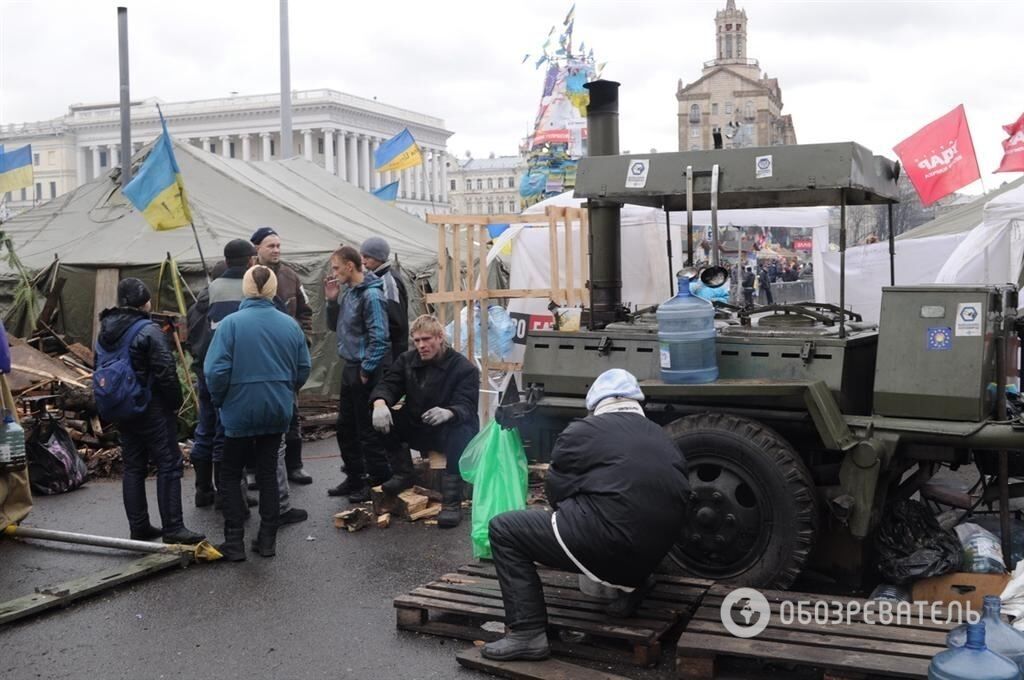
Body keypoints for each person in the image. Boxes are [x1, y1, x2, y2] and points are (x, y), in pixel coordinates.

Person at [482, 369, 690, 661]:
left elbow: (556, 495)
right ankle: (634, 585)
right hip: (654, 554)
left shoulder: (582, 431)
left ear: (595, 405)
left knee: (504, 529)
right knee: (635, 511)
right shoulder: (663, 437)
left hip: (608, 545)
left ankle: (527, 632)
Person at [186, 240, 307, 526]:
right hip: (264, 386)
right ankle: (273, 519)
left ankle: (222, 501)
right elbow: (301, 363)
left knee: (218, 440)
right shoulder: (275, 312)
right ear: (252, 260)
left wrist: (217, 390)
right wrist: (287, 388)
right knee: (270, 454)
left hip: (222, 381)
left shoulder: (209, 293)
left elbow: (196, 332)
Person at [204, 266, 311, 561]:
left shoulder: (230, 325)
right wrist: (286, 391)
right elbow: (303, 368)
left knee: (230, 472)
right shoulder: (290, 325)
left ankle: (234, 541)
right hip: (277, 409)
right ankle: (267, 540)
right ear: (273, 288)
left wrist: (220, 399)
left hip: (238, 409)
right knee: (267, 474)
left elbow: (215, 371)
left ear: (246, 288)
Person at [97, 278, 204, 544]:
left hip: (122, 406)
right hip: (151, 405)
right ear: (146, 302)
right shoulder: (149, 330)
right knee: (169, 464)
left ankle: (139, 527)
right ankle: (174, 528)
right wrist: (175, 402)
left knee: (133, 466)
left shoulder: (106, 330)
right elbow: (166, 371)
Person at [370, 314, 479, 528]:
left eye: (426, 339)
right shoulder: (407, 361)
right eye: (417, 341)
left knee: (463, 430)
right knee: (380, 418)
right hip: (418, 425)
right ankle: (403, 473)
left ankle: (451, 501)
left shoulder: (463, 367)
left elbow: (467, 404)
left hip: (447, 430)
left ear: (440, 338)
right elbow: (389, 384)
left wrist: (450, 412)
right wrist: (380, 403)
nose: (421, 345)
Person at [324, 245, 391, 503]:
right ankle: (354, 477)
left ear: (350, 266)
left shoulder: (371, 296)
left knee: (366, 431)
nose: (334, 273)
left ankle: (375, 483)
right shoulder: (350, 292)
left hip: (364, 369)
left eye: (337, 267)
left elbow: (380, 337)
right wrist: (331, 301)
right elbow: (336, 327)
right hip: (350, 367)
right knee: (345, 427)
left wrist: (366, 368)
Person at [250, 226, 314, 485]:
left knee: (291, 411)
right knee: (256, 413)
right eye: (270, 246)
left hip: (287, 357)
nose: (276, 250)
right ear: (257, 248)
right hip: (257, 357)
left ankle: (294, 465)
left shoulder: (290, 276)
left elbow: (305, 312)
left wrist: (304, 340)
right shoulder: (248, 276)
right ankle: (254, 469)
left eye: (278, 245)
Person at [360, 237, 409, 362]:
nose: (363, 261)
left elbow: (395, 321)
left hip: (392, 350)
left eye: (367, 257)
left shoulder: (388, 281)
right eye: (362, 256)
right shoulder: (376, 277)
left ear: (379, 257)